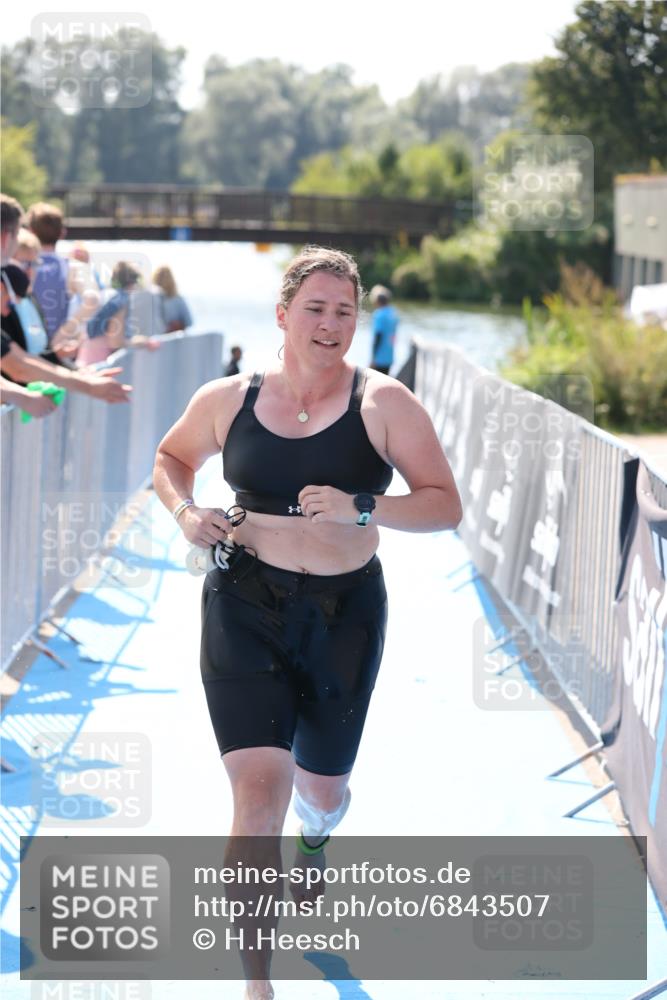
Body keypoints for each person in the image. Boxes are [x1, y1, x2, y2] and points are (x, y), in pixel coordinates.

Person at [152, 246, 462, 1000]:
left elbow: (443, 504)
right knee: (259, 798)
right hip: (243, 606)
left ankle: (318, 836)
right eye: (315, 309)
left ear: (357, 321)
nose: (329, 324)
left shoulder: (385, 404)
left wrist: (365, 506)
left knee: (320, 790)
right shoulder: (229, 396)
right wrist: (186, 511)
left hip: (342, 616)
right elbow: (171, 458)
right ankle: (256, 983)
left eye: (344, 311)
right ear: (283, 314)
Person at [26, 202, 70, 341]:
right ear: (62, 233)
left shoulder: (19, 270)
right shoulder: (73, 268)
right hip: (63, 347)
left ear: (30, 231)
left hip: (25, 346)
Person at [152, 265, 193, 332]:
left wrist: (176, 325)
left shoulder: (178, 299)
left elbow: (189, 322)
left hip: (170, 338)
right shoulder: (178, 299)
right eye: (161, 276)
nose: (163, 280)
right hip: (158, 339)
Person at [369, 284, 399, 375]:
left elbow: (378, 336)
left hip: (379, 358)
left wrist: (373, 359)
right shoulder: (393, 313)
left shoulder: (379, 315)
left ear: (376, 301)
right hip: (389, 356)